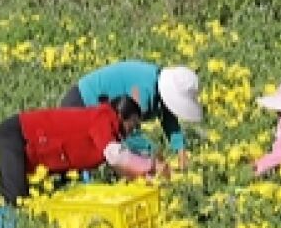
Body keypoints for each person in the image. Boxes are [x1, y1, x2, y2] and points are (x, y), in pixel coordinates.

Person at [0, 96, 166, 228]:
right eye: (133, 125)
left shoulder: (110, 130)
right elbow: (115, 156)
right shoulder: (103, 117)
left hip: (34, 149)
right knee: (16, 198)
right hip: (17, 134)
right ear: (121, 116)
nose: (132, 132)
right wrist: (150, 165)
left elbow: (119, 165)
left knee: (29, 199)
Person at [61, 61, 203, 167]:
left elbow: (169, 118)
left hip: (93, 108)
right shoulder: (144, 91)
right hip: (81, 104)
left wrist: (180, 149)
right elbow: (128, 131)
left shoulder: (157, 84)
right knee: (81, 160)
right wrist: (154, 155)